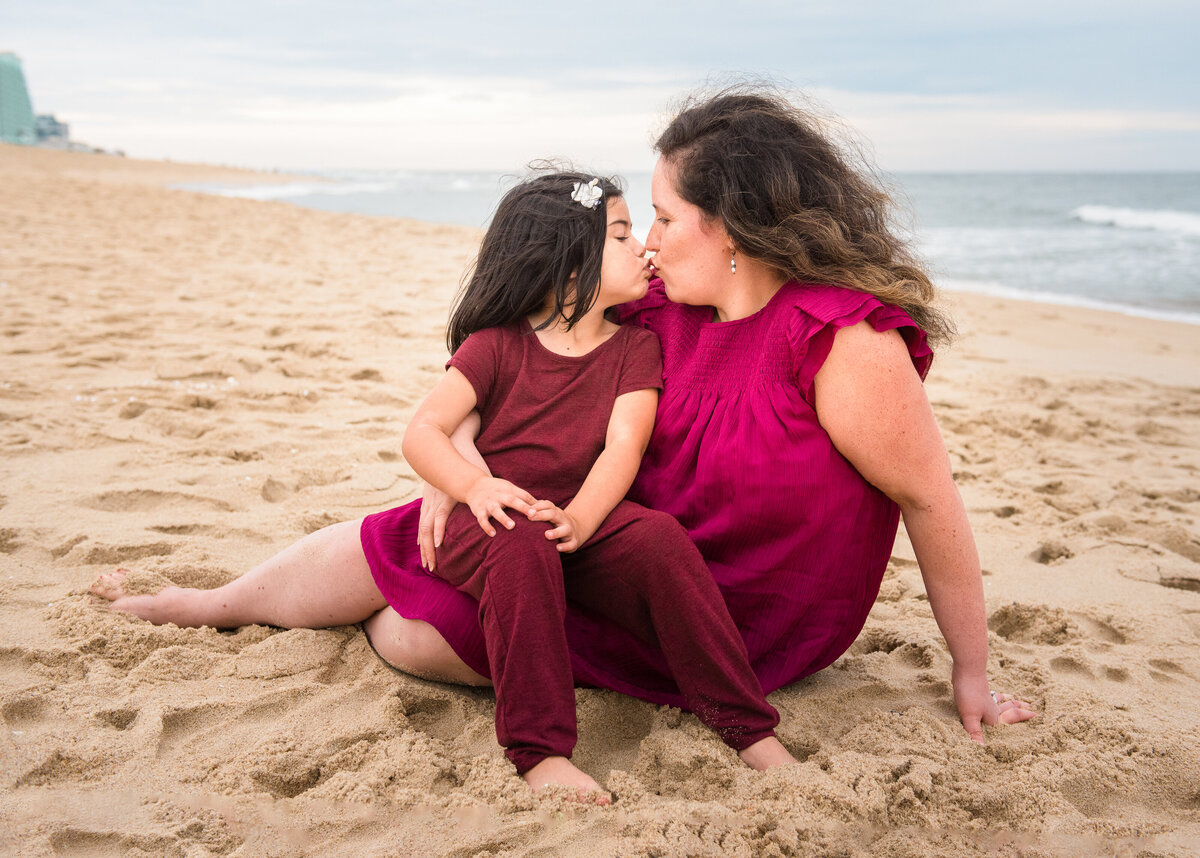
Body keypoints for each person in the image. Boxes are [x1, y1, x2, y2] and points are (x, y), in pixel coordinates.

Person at [92, 170, 792, 803]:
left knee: (659, 539)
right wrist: (474, 485)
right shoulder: (498, 345)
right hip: (486, 518)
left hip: (575, 516)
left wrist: (580, 518)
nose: (641, 244)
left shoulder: (635, 346)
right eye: (619, 232)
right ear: (565, 260)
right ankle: (540, 751)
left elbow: (623, 446)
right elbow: (423, 432)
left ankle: (748, 728)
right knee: (496, 541)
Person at [417, 87, 1038, 742]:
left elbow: (930, 499)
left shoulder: (843, 341)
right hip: (595, 565)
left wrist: (972, 675)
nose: (649, 244)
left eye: (664, 218)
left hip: (734, 636)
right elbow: (511, 341)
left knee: (409, 627)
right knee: (353, 567)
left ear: (731, 225)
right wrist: (452, 460)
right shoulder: (655, 305)